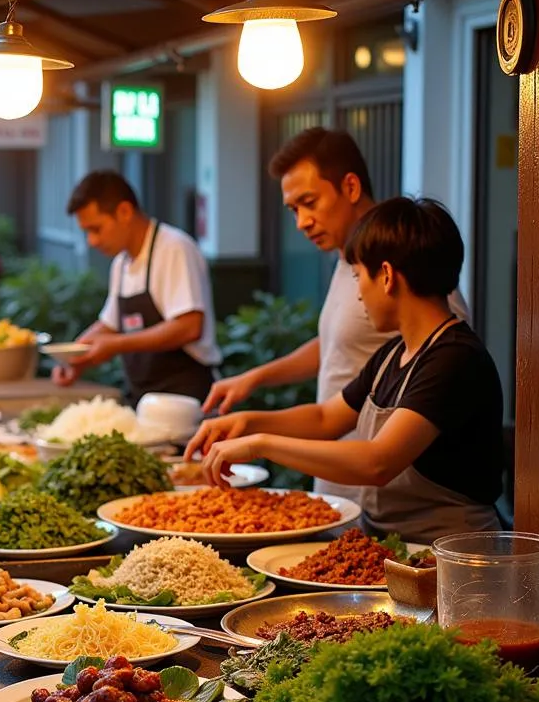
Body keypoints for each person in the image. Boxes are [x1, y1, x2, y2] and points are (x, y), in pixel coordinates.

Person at [186, 197, 502, 542]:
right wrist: (248, 422)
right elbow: (326, 419)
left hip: (453, 559)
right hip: (394, 549)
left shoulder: (454, 358)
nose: (358, 295)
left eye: (357, 277)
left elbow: (377, 462)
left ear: (386, 276)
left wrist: (260, 445)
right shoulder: (392, 354)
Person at [202, 127, 468, 501]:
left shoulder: (442, 333)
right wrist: (252, 406)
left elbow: (379, 460)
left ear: (351, 187)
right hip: (346, 489)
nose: (302, 222)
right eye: (294, 210)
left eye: (309, 202)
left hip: (392, 493)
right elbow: (330, 389)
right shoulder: (378, 331)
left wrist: (260, 440)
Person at [54, 169, 220, 405]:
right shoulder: (121, 263)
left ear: (124, 211)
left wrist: (115, 345)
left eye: (96, 229)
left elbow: (189, 326)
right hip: (144, 400)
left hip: (188, 399)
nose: (92, 241)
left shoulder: (174, 248)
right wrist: (74, 358)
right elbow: (109, 325)